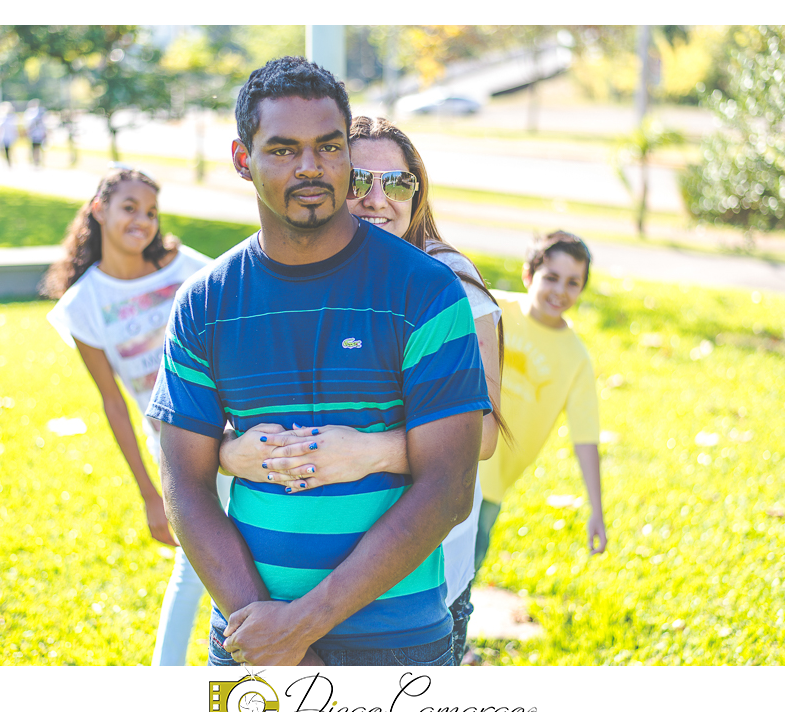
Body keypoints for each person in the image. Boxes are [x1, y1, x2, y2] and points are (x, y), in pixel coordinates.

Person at [146, 56, 491, 667]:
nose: (310, 166)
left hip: (398, 643)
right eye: (283, 149)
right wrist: (267, 633)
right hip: (247, 637)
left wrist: (302, 625)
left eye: (329, 147)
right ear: (242, 158)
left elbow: (449, 487)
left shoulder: (426, 292)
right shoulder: (205, 301)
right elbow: (185, 485)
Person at [219, 115, 509, 666]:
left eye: (397, 183)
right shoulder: (290, 277)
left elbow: (486, 434)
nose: (378, 199)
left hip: (413, 588)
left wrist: (368, 452)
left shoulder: (448, 284)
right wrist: (234, 452)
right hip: (277, 586)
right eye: (360, 181)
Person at [41, 166, 230, 666]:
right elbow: (113, 403)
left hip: (238, 434)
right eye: (130, 208)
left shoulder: (188, 269)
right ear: (99, 210)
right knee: (198, 567)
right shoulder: (84, 305)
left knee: (231, 564)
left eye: (151, 212)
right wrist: (151, 494)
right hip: (177, 447)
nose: (142, 221)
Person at [477, 231, 608, 581]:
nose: (560, 291)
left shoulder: (576, 358)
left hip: (493, 484)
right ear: (528, 274)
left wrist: (596, 509)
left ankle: (452, 635)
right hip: (452, 454)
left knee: (466, 568)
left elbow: (585, 435)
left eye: (572, 283)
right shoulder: (491, 308)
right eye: (551, 277)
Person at [0, 101, 17, 167]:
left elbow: (14, 128)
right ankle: (5, 162)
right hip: (1, 137)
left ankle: (9, 163)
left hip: (9, 137)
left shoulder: (12, 117)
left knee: (8, 150)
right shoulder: (0, 117)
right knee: (2, 150)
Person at [24, 99, 48, 167]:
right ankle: (34, 160)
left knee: (39, 147)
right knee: (34, 148)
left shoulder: (41, 112)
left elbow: (44, 124)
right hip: (33, 134)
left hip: (39, 133)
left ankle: (38, 161)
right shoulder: (30, 113)